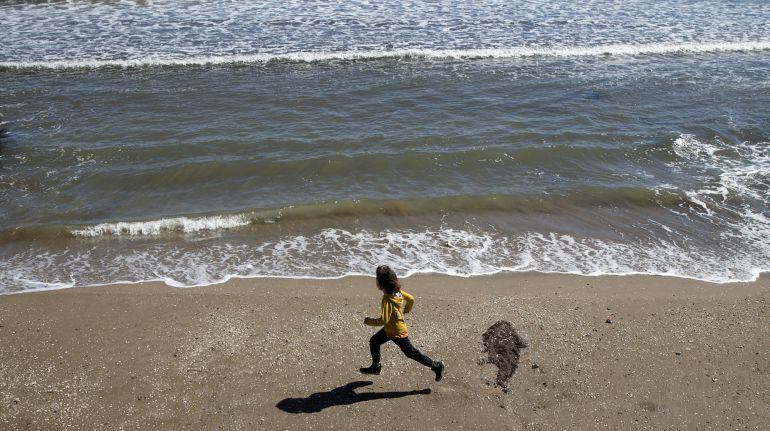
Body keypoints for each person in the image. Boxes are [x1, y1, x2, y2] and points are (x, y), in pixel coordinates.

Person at [360, 265, 444, 381]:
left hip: (397, 332)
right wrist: (406, 310)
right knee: (374, 341)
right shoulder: (398, 292)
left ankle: (436, 366)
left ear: (380, 285)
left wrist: (368, 321)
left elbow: (383, 320)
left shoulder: (387, 300)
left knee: (411, 353)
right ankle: (376, 366)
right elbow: (411, 299)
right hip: (390, 329)